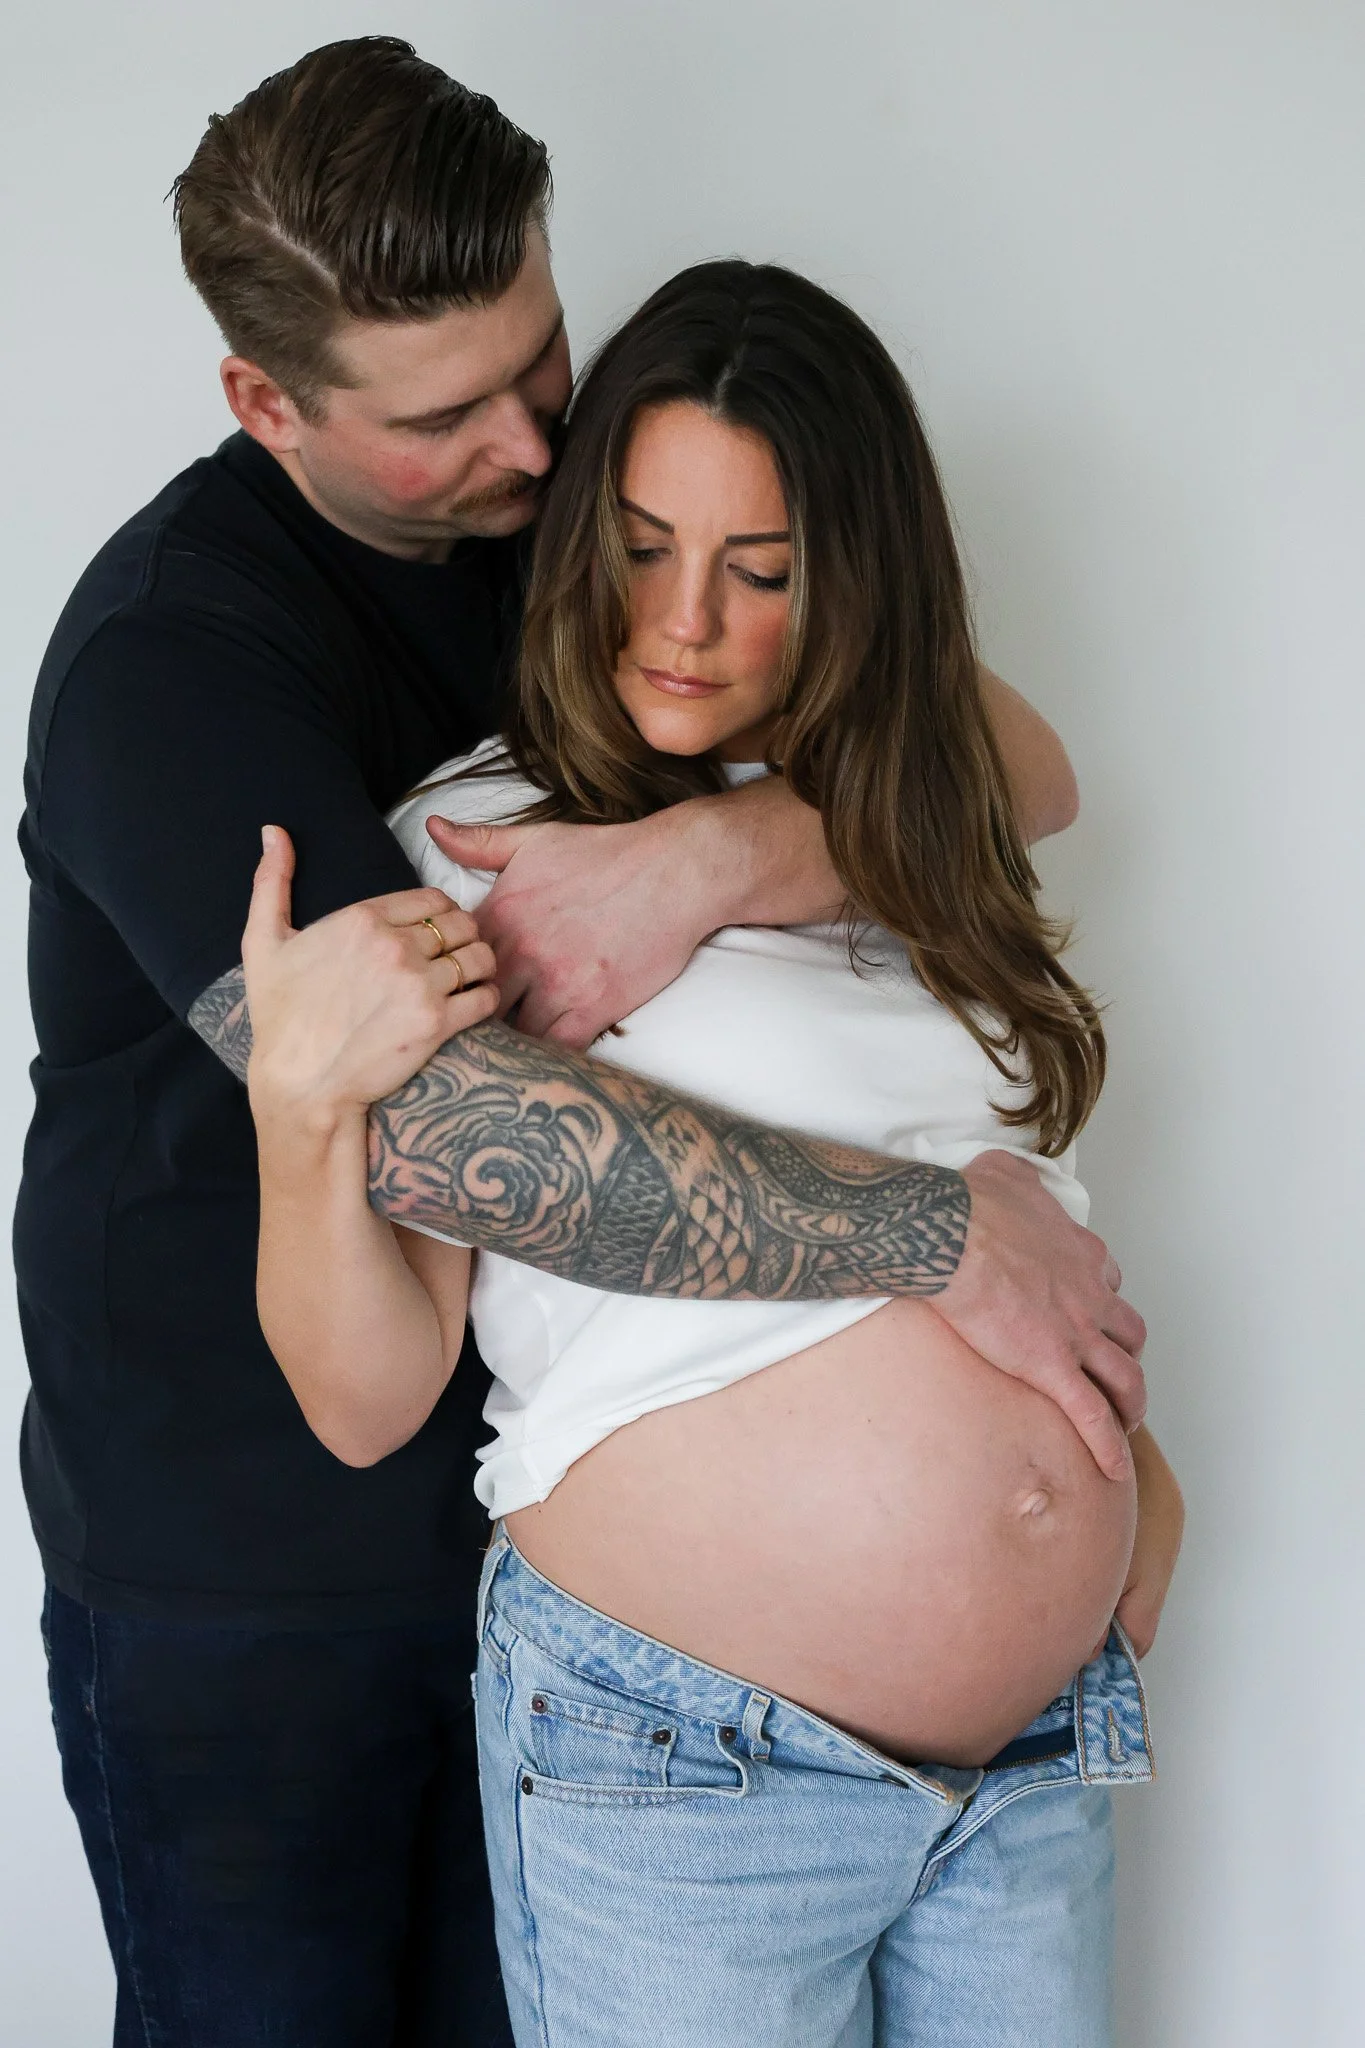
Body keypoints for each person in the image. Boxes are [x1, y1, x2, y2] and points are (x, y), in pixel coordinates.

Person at [17, 35, 1145, 2047]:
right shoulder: (165, 667)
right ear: (267, 402)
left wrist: (706, 856)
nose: (534, 450)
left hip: (551, 1538)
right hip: (248, 1562)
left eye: (542, 361)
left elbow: (1000, 765)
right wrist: (936, 1235)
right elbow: (448, 1124)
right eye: (450, 416)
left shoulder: (592, 517)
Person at [242, 260, 1184, 2047]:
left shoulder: (890, 835)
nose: (685, 624)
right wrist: (301, 1114)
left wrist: (1140, 1469)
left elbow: (1004, 1155)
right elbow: (369, 1395)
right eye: (643, 548)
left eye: (762, 574)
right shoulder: (474, 847)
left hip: (1032, 1762)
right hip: (690, 1769)